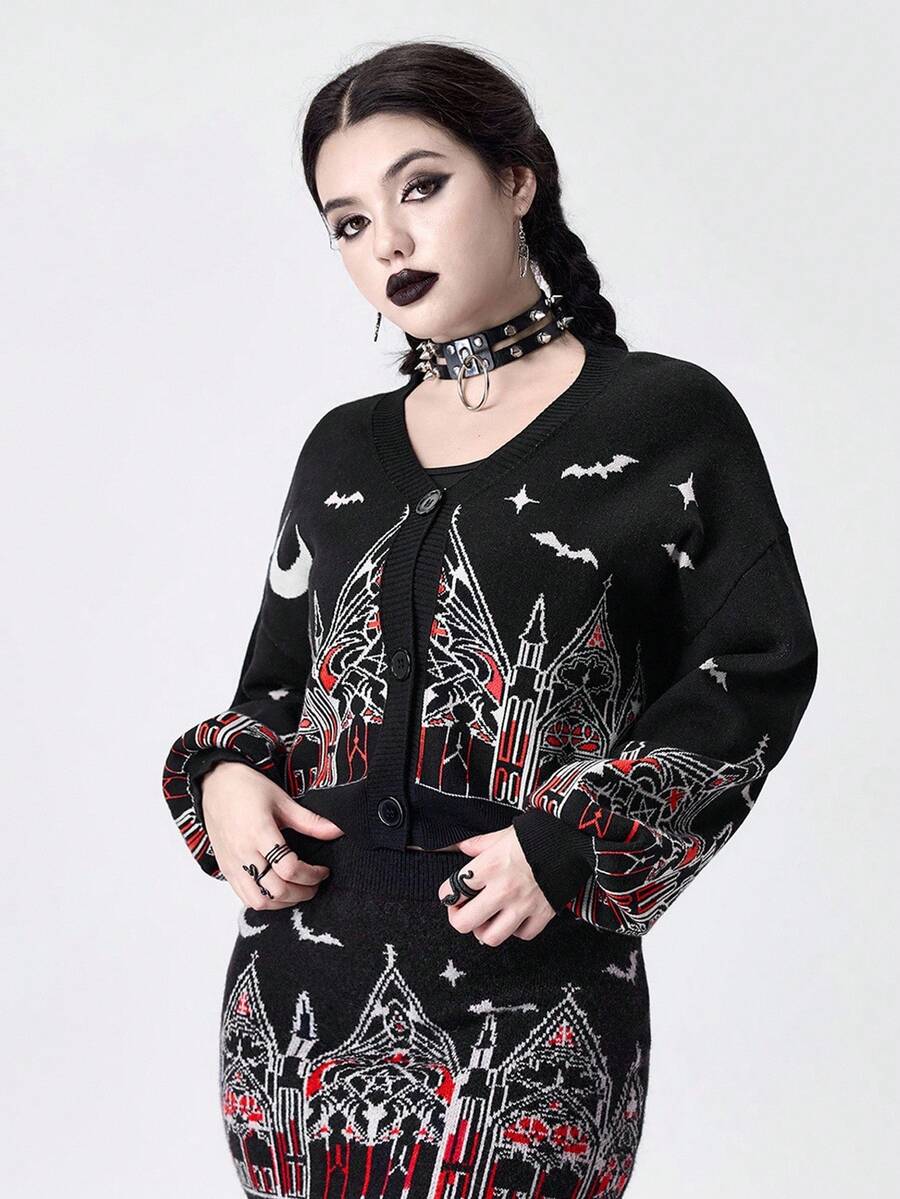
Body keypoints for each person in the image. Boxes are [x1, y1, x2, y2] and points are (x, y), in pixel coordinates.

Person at [161, 41, 818, 1198]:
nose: (388, 242)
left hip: (532, 994)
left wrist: (576, 838)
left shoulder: (665, 417)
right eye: (348, 222)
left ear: (518, 179)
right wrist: (225, 779)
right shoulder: (341, 449)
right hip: (301, 1005)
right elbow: (278, 685)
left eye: (420, 186)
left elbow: (755, 666)